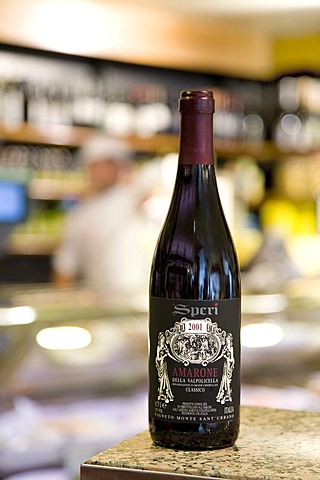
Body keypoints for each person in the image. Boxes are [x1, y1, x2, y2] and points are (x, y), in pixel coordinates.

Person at [52, 134, 150, 292]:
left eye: (109, 164)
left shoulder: (136, 199)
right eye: (96, 165)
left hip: (141, 298)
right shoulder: (80, 213)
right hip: (100, 304)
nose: (100, 171)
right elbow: (65, 267)